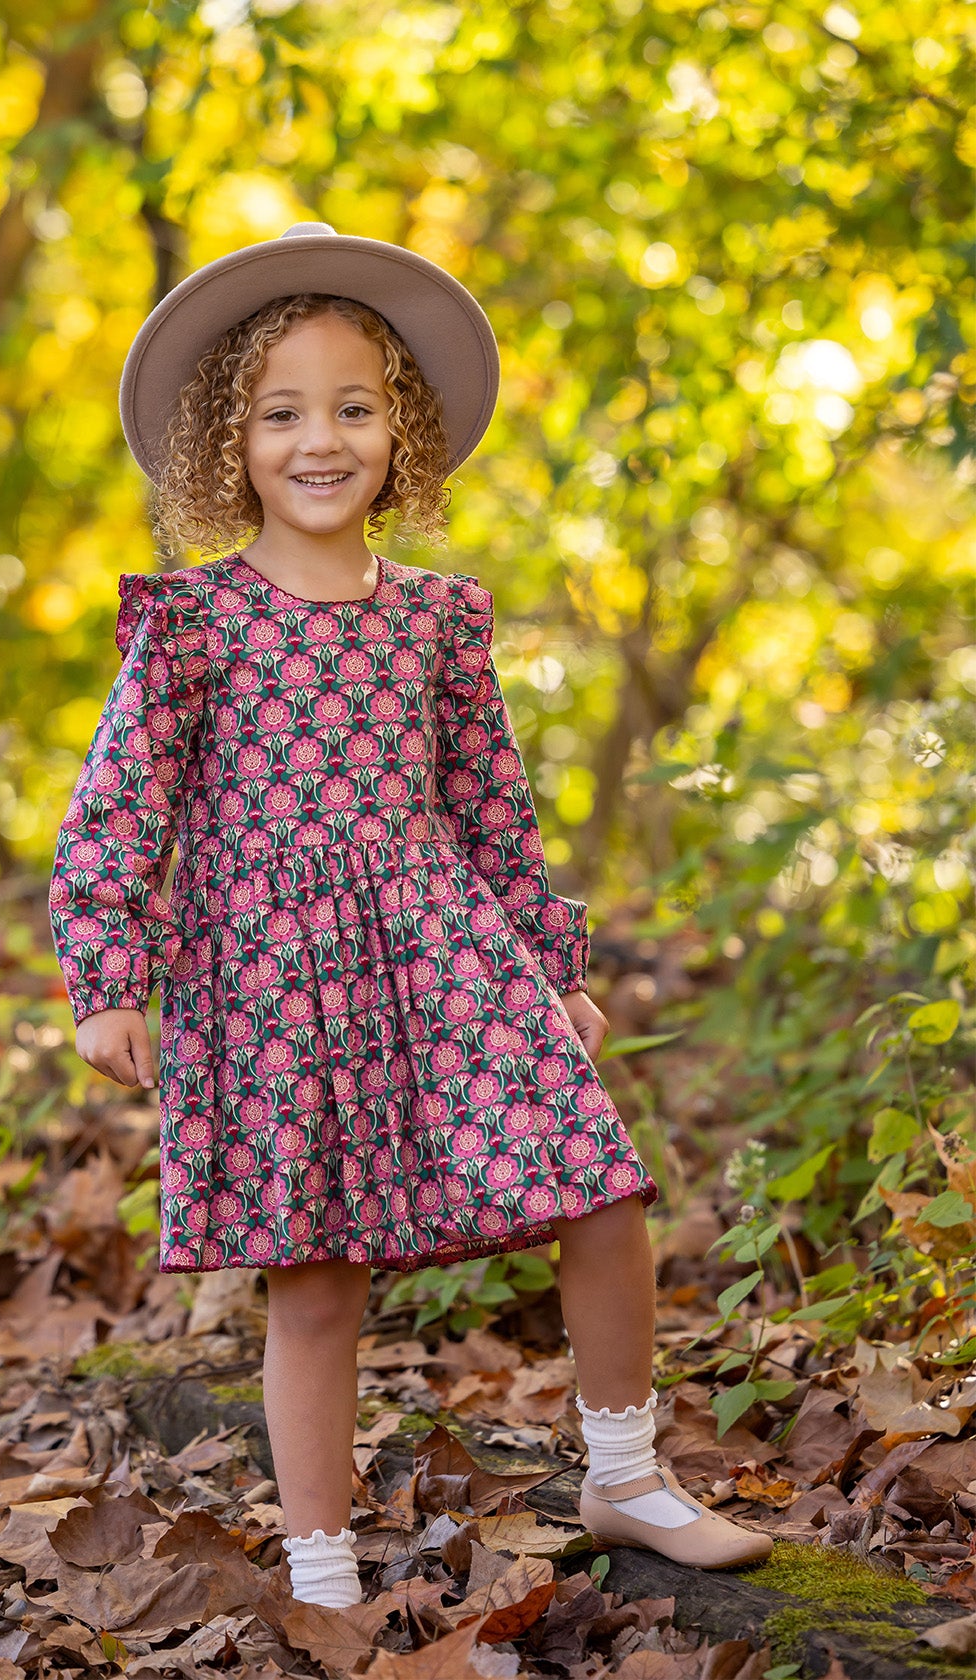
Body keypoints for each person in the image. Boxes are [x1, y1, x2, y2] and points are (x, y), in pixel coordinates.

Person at [49, 223, 772, 1607]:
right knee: (316, 1279)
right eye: (281, 413)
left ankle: (623, 1474)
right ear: (229, 439)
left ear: (405, 429)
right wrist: (106, 977)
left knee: (599, 1179)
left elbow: (495, 802)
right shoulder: (193, 626)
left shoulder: (438, 621)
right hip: (264, 970)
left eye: (354, 406)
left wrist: (552, 965)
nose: (320, 440)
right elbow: (115, 812)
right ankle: (323, 1574)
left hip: (443, 944)